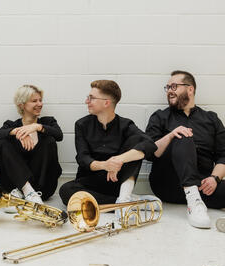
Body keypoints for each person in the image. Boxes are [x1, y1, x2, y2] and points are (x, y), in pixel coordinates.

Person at [146, 70, 225, 239]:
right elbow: (150, 153)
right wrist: (171, 135)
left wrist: (214, 178)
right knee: (183, 135)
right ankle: (194, 204)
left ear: (190, 89)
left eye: (174, 86)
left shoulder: (211, 119)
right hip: (168, 183)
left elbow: (224, 156)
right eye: (167, 87)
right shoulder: (160, 117)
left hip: (201, 183)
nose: (169, 90)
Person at [58, 80, 156, 224]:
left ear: (106, 103)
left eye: (91, 98)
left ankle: (124, 198)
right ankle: (128, 203)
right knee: (66, 191)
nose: (87, 101)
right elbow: (83, 158)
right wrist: (105, 165)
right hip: (90, 182)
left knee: (136, 143)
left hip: (118, 181)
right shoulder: (82, 124)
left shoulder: (126, 125)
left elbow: (150, 145)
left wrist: (118, 160)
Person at [0, 84, 62, 207]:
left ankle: (31, 193)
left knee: (49, 140)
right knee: (3, 142)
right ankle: (27, 190)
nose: (39, 104)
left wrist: (37, 127)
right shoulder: (11, 125)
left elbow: (59, 135)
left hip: (42, 189)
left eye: (40, 100)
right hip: (15, 189)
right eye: (34, 101)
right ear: (22, 105)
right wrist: (17, 132)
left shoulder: (47, 122)